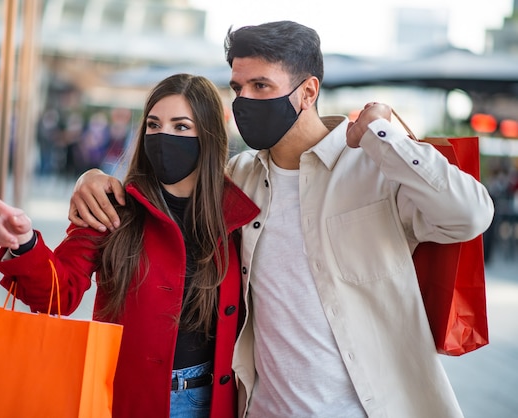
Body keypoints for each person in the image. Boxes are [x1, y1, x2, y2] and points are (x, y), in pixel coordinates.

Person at [67, 21, 494, 418]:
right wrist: (92, 179)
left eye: (261, 85)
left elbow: (469, 215)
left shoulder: (376, 167)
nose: (245, 101)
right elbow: (168, 195)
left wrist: (385, 133)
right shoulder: (239, 178)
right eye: (237, 87)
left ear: (308, 92)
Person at [0, 73, 259, 418]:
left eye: (181, 126)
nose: (163, 136)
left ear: (209, 135)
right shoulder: (113, 206)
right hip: (128, 399)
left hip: (212, 400)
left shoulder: (236, 215)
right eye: (154, 125)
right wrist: (23, 243)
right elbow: (59, 292)